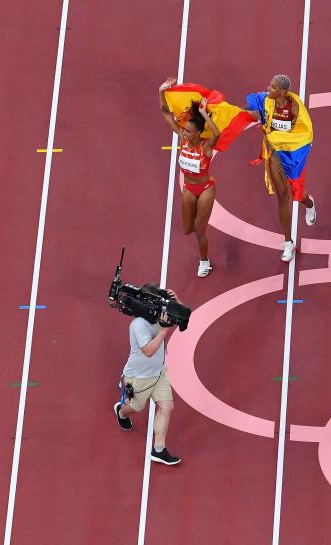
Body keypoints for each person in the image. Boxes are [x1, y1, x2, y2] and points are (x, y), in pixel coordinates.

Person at [245, 75, 316, 262]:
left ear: (283, 92)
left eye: (273, 87)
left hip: (291, 154)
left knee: (297, 194)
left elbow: (305, 133)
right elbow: (246, 109)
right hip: (274, 153)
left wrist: (281, 140)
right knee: (282, 195)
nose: (269, 88)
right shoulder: (265, 101)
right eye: (270, 84)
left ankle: (309, 204)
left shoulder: (295, 108)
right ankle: (288, 242)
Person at [113, 284, 181, 466]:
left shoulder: (158, 315)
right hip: (138, 377)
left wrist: (176, 302)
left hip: (158, 372)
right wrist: (164, 330)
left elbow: (182, 318)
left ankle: (159, 450)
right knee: (136, 408)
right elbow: (149, 350)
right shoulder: (138, 325)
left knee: (167, 406)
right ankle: (121, 411)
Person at [159, 77, 220, 277]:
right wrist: (161, 92)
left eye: (188, 131)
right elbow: (165, 113)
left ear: (198, 133)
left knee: (199, 231)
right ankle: (202, 251)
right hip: (188, 188)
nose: (184, 133)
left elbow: (217, 134)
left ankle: (204, 261)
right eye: (184, 130)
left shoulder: (206, 146)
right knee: (187, 229)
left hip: (205, 189)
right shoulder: (183, 139)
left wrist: (204, 113)